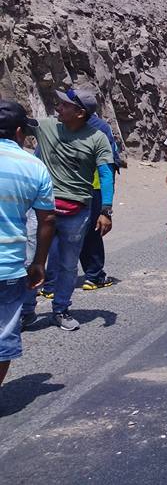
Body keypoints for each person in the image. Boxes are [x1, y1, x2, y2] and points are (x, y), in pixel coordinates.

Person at [28, 88, 114, 331]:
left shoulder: (98, 138)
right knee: (30, 259)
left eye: (65, 105)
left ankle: (61, 309)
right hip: (41, 209)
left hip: (77, 212)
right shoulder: (45, 126)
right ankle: (26, 311)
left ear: (80, 113)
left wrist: (106, 210)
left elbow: (106, 174)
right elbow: (14, 121)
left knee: (68, 264)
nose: (58, 108)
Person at [0, 101, 55, 384]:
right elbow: (47, 220)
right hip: (9, 267)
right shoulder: (34, 167)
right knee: (2, 338)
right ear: (19, 132)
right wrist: (39, 263)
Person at [78, 109, 124, 290]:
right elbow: (109, 163)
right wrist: (107, 209)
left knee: (62, 233)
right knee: (91, 232)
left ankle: (50, 283)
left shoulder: (58, 127)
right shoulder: (101, 127)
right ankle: (94, 275)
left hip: (67, 189)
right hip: (92, 187)